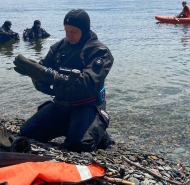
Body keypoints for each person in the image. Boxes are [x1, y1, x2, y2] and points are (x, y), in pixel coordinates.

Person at [13, 9, 114, 152]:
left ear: (84, 31)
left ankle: (98, 131)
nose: (69, 36)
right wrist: (34, 74)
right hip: (61, 106)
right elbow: (44, 73)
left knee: (78, 146)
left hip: (86, 105)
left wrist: (48, 75)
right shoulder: (59, 47)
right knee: (27, 133)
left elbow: (86, 84)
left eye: (74, 31)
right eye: (66, 31)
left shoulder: (99, 52)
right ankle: (73, 126)